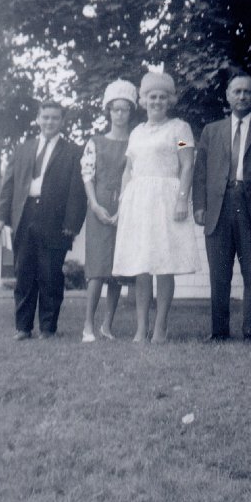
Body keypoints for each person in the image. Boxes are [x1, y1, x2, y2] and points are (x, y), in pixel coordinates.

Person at [193, 70, 251, 340]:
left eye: (248, 91)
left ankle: (250, 332)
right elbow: (200, 171)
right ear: (227, 95)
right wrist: (199, 206)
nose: (242, 96)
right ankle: (219, 332)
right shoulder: (210, 132)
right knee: (219, 276)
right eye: (237, 91)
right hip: (219, 207)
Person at [111, 71, 199, 343]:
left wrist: (183, 198)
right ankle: (141, 328)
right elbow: (129, 169)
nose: (157, 101)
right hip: (139, 202)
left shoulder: (180, 129)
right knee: (141, 264)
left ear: (169, 100)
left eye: (162, 96)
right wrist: (125, 200)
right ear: (144, 100)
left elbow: (187, 164)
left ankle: (160, 327)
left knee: (164, 263)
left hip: (166, 199)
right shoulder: (136, 133)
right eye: (152, 96)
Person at [0, 100, 87, 340]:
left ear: (62, 121)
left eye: (55, 118)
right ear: (38, 118)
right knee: (23, 273)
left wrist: (72, 224)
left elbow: (77, 191)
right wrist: (1, 217)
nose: (49, 122)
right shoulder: (23, 149)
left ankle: (48, 328)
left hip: (55, 220)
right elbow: (9, 185)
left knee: (50, 275)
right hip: (24, 216)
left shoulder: (73, 151)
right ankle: (23, 328)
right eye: (45, 117)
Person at [80, 79, 138, 343]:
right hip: (100, 207)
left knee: (118, 269)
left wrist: (125, 208)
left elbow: (181, 145)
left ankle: (107, 325)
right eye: (115, 109)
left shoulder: (137, 140)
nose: (120, 114)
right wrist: (94, 204)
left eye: (125, 109)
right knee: (97, 269)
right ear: (108, 111)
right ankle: (88, 326)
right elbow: (87, 175)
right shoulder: (95, 142)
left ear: (131, 111)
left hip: (128, 205)